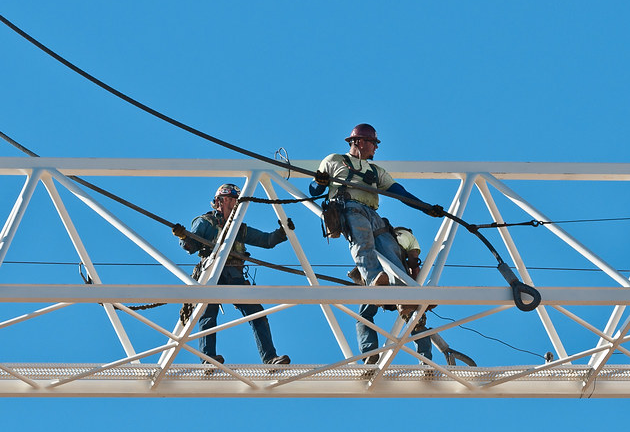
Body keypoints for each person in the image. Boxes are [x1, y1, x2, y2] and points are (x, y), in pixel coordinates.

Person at [310, 124, 442, 362]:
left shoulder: (375, 171)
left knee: (391, 250)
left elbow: (399, 192)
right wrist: (320, 183)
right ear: (360, 142)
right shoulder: (333, 161)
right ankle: (373, 279)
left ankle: (405, 297)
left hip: (373, 214)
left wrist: (425, 207)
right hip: (348, 207)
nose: (375, 149)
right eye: (374, 144)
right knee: (362, 240)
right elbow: (313, 190)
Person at [183, 183, 292, 365]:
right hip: (212, 273)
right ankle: (208, 358)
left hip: (234, 275)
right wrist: (185, 238)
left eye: (235, 200)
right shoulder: (205, 222)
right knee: (208, 315)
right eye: (230, 200)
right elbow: (190, 246)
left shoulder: (239, 228)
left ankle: (270, 358)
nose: (234, 204)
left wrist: (282, 233)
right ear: (219, 202)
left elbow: (266, 241)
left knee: (256, 314)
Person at [348, 225, 433, 364]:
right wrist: (417, 290)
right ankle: (425, 360)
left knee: (364, 316)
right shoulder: (408, 237)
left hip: (375, 277)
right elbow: (414, 263)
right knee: (416, 318)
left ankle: (369, 353)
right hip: (398, 278)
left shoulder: (377, 234)